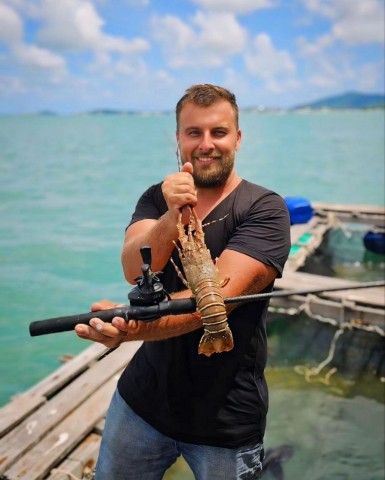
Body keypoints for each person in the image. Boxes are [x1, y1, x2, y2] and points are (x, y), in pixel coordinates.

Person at [75, 84, 291, 480]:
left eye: (218, 132)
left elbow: (218, 299)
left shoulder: (265, 208)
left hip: (225, 421)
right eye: (194, 132)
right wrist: (173, 215)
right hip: (141, 403)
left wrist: (129, 329)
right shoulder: (158, 199)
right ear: (178, 137)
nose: (206, 144)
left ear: (238, 139)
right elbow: (132, 266)